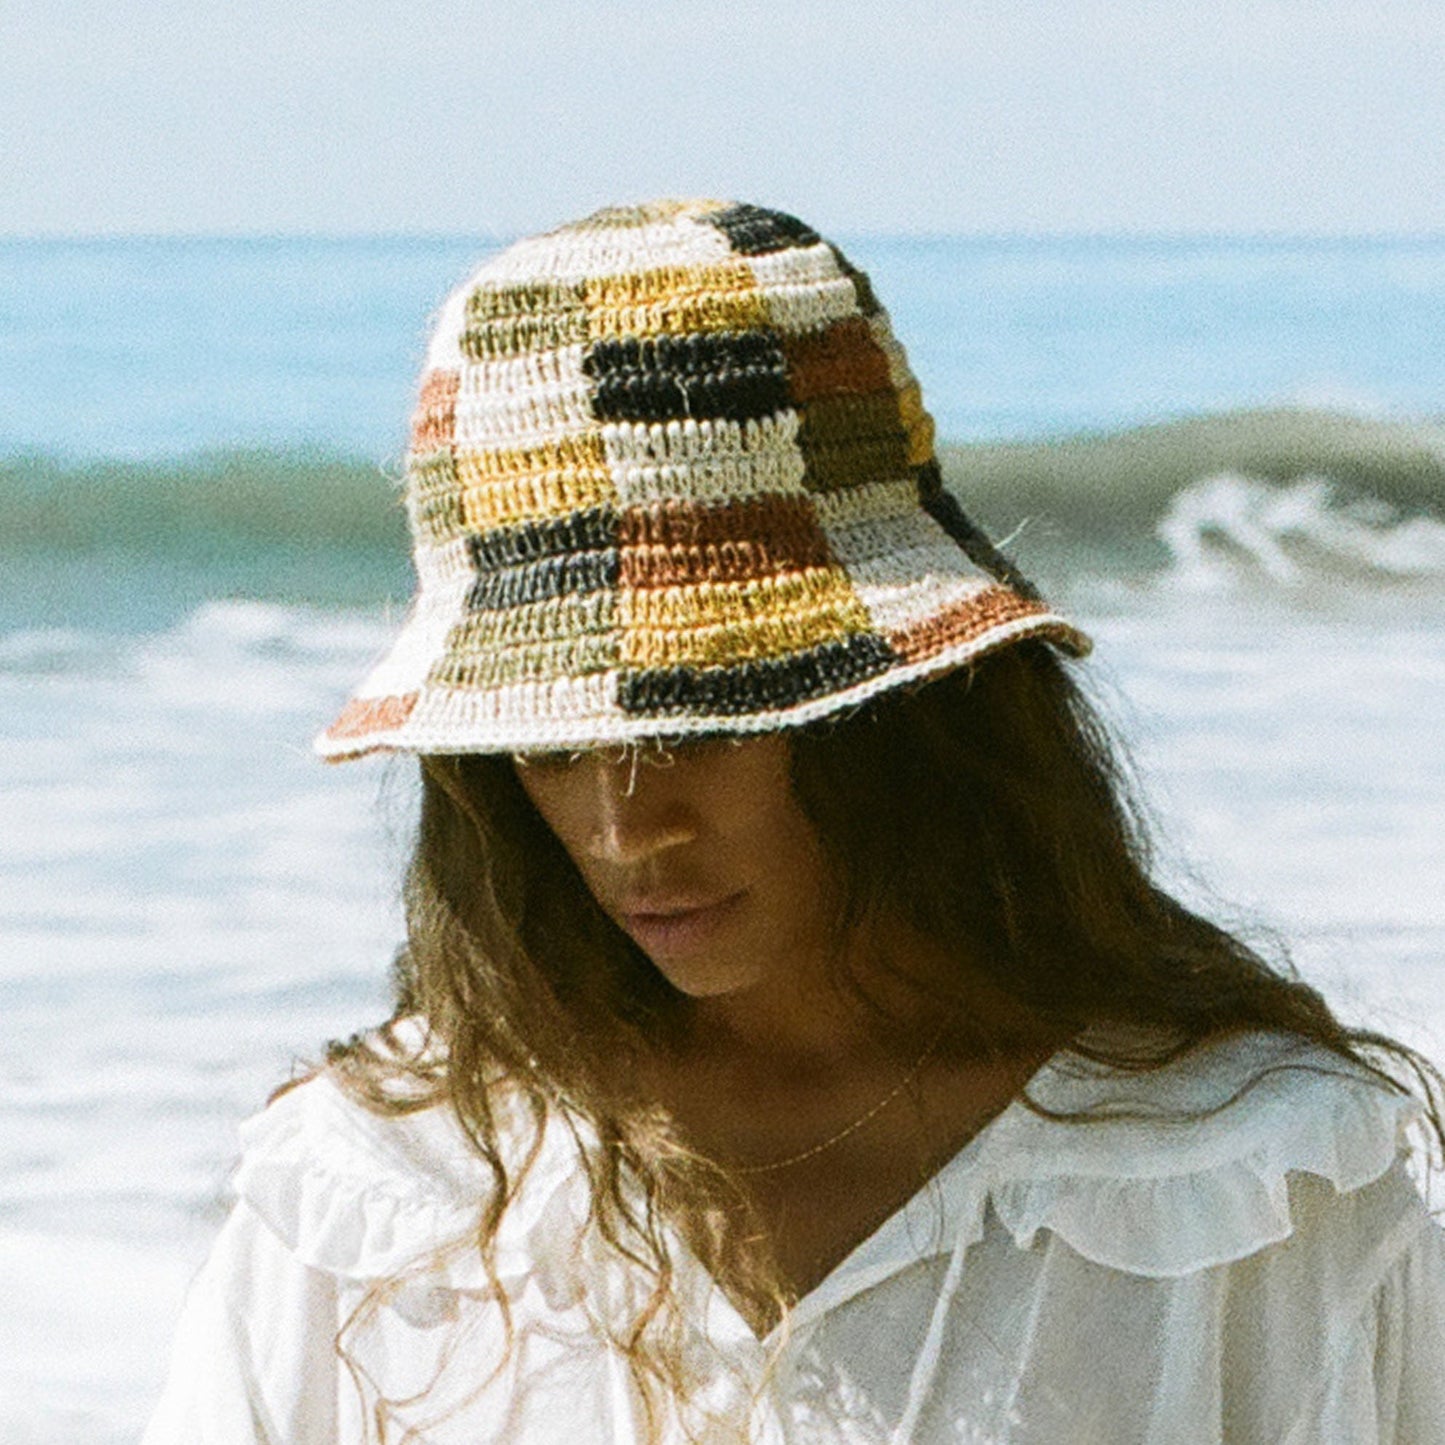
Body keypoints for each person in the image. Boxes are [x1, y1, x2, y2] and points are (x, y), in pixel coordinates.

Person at [144, 199, 1445, 1444]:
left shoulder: (1243, 1179)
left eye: (705, 719)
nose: (625, 826)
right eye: (544, 742)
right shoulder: (391, 1191)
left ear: (906, 717)